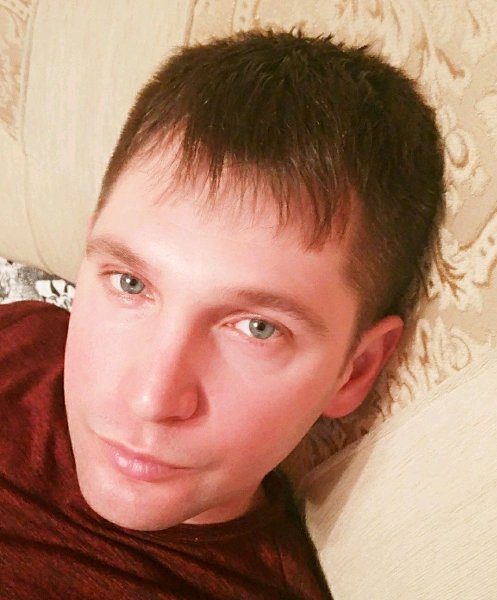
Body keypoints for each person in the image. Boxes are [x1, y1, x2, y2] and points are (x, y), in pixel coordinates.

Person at [0, 29, 444, 599]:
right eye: (131, 283)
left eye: (259, 328)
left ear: (354, 371)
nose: (151, 400)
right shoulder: (28, 332)